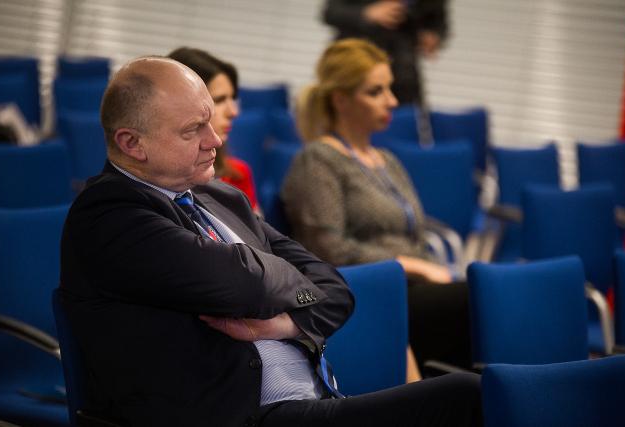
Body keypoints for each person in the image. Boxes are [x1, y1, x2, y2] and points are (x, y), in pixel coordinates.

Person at [59, 55, 481, 427]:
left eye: (209, 121)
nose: (215, 140)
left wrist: (287, 322)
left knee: (474, 392)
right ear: (132, 143)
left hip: (314, 400)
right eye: (192, 130)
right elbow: (242, 283)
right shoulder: (110, 215)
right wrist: (283, 278)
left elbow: (334, 288)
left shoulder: (221, 198)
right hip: (241, 415)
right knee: (464, 397)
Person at [281, 38, 471, 372]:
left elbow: (415, 234)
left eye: (390, 89)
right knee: (482, 301)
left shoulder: (386, 160)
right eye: (376, 92)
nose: (392, 101)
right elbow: (329, 249)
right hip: (368, 291)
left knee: (489, 298)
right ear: (341, 100)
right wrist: (413, 266)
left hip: (411, 287)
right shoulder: (318, 160)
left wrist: (428, 269)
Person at [168, 46, 261, 213]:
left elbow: (257, 230)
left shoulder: (238, 174)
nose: (233, 112)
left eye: (232, 99)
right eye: (219, 100)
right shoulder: (158, 179)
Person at [323, 0, 448, 106]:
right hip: (355, 62)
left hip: (403, 70)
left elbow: (437, 21)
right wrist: (367, 13)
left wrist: (434, 35)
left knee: (407, 118)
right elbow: (330, 12)